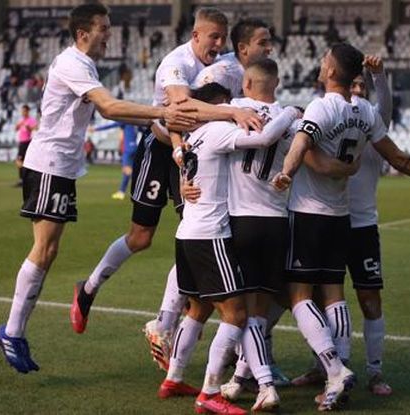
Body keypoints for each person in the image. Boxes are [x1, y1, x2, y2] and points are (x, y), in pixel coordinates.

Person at [0, 2, 197, 374]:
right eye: (103, 28)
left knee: (49, 249)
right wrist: (161, 113)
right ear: (83, 33)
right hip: (49, 163)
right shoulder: (72, 63)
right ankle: (12, 331)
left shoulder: (84, 64)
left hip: (62, 166)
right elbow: (108, 107)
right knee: (44, 249)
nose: (109, 33)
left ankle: (14, 331)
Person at [69, 7, 261, 340]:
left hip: (195, 151)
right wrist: (231, 112)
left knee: (199, 230)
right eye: (212, 37)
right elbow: (181, 110)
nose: (217, 43)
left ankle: (166, 323)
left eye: (222, 38)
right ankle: (88, 288)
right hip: (160, 149)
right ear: (195, 35)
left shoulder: (225, 66)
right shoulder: (176, 63)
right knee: (141, 237)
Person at [291, 55, 410, 396]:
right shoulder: (330, 117)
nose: (356, 92)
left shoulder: (370, 121)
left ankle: (374, 372)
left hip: (362, 225)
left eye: (361, 88)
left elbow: (389, 126)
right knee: (326, 298)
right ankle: (324, 367)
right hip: (331, 219)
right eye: (352, 86)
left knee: (368, 300)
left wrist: (379, 76)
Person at [143, 17, 276, 376]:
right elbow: (184, 118)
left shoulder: (255, 83)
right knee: (210, 263)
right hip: (212, 179)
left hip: (231, 181)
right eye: (263, 43)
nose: (269, 49)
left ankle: (200, 367)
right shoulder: (218, 75)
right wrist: (184, 164)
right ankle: (166, 324)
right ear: (244, 49)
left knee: (220, 284)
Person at [169, 78, 300, 414]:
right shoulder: (216, 131)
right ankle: (212, 392)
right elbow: (266, 137)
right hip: (210, 235)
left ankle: (174, 377)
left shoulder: (193, 139)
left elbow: (182, 156)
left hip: (186, 234)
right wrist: (290, 112)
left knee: (197, 310)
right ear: (218, 107)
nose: (237, 112)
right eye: (229, 106)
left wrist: (183, 180)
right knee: (237, 314)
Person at [271, 43, 385, 411]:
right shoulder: (364, 111)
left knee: (299, 295)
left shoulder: (323, 105)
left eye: (324, 60)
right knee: (333, 294)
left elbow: (302, 142)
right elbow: (393, 152)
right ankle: (343, 363)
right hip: (341, 215)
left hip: (309, 212)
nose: (320, 63)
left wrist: (286, 172)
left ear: (333, 71)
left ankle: (335, 369)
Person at [93, 121, 139, 199]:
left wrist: (96, 129)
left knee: (127, 170)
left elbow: (111, 125)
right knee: (128, 171)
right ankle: (122, 191)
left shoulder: (125, 121)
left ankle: (133, 188)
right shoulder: (136, 123)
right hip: (135, 147)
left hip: (128, 149)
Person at [13, 105, 38, 187]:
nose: (22, 113)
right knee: (21, 162)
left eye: (24, 111)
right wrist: (17, 126)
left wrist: (29, 128)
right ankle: (24, 179)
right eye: (22, 111)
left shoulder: (31, 120)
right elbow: (16, 129)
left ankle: (23, 180)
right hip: (22, 142)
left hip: (26, 142)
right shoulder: (22, 120)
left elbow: (35, 128)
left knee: (21, 161)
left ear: (27, 111)